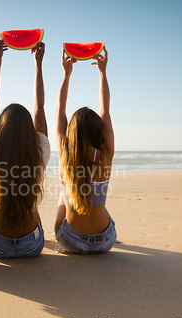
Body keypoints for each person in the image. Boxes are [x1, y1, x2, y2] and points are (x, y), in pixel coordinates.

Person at [0, 40, 50, 258]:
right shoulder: (39, 152)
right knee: (30, 204)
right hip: (32, 247)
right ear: (30, 133)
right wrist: (38, 64)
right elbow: (39, 109)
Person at [54, 47, 116, 254]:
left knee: (62, 197)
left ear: (71, 133)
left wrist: (66, 74)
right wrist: (102, 72)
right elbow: (105, 110)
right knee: (99, 203)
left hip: (70, 241)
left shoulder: (65, 156)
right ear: (98, 130)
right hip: (105, 241)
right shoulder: (105, 155)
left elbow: (59, 111)